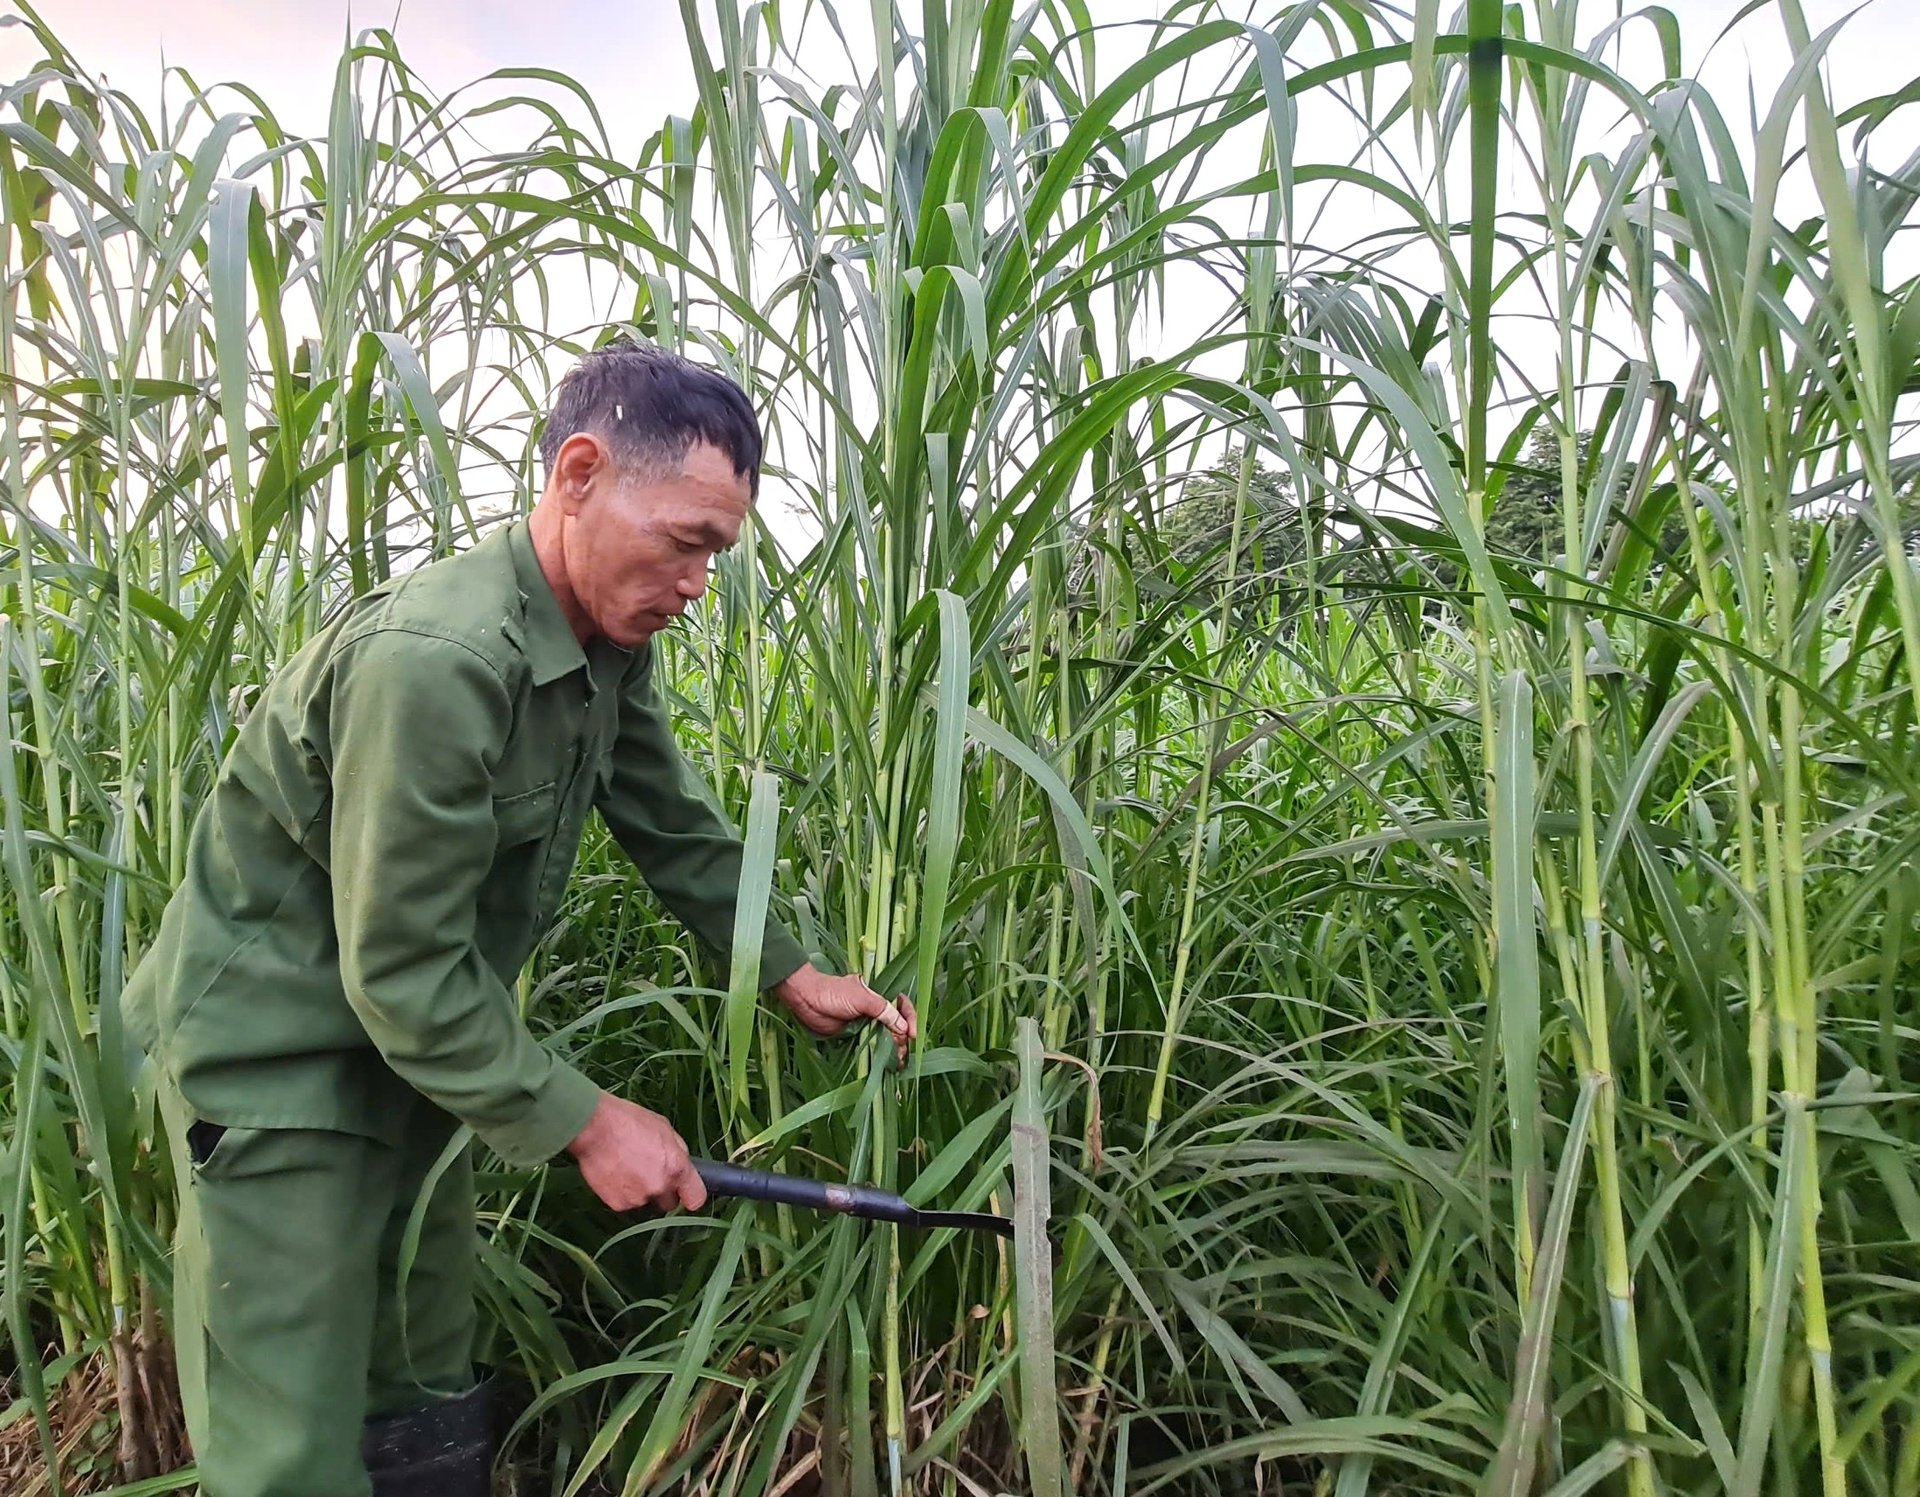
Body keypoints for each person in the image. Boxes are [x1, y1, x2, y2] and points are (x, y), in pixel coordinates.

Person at [122, 339, 918, 1497]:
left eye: (718, 554)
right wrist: (588, 1120)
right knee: (291, 1442)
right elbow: (397, 968)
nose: (699, 584)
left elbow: (673, 822)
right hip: (279, 1075)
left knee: (423, 1379)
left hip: (427, 1066)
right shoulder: (438, 660)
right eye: (685, 542)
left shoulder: (604, 641)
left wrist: (793, 970)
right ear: (580, 474)